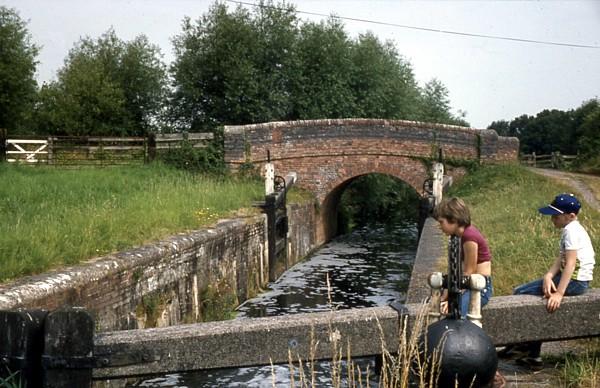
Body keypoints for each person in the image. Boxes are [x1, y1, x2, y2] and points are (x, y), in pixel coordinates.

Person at [498, 193, 595, 371]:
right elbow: (562, 258)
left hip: (575, 282)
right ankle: (526, 348)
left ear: (571, 216)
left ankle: (528, 350)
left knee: (521, 294)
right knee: (522, 293)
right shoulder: (571, 229)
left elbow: (571, 264)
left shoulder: (572, 231)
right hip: (575, 280)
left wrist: (559, 293)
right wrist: (548, 275)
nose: (552, 219)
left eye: (556, 216)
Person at [433, 197, 493, 318]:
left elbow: (469, 272)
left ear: (454, 220)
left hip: (479, 287)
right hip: (469, 284)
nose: (440, 226)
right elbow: (458, 270)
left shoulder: (469, 237)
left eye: (441, 222)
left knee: (456, 314)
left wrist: (451, 298)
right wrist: (445, 294)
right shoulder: (459, 236)